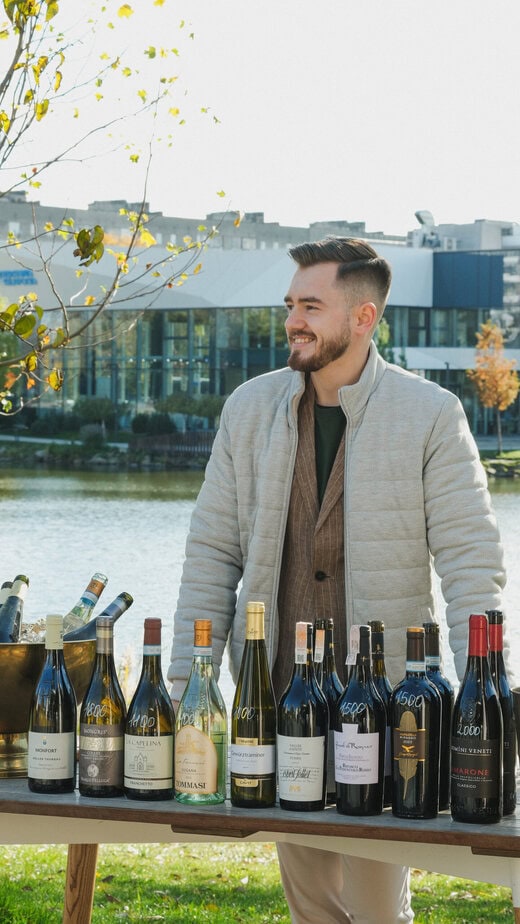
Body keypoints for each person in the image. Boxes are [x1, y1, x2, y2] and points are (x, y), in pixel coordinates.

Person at [168, 237, 506, 924]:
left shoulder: (431, 414)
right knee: (312, 906)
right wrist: (183, 687)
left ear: (362, 317)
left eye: (311, 306)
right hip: (278, 696)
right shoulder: (248, 409)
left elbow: (471, 563)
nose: (293, 320)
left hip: (389, 707)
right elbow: (211, 555)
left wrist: (488, 694)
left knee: (379, 909)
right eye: (291, 304)